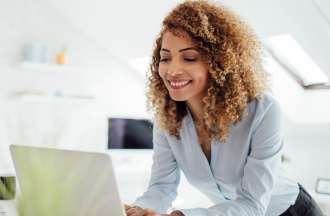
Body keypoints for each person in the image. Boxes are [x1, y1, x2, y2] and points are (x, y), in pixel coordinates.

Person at [125, 1, 324, 215]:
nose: (172, 70)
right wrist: (138, 211)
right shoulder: (167, 119)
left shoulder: (263, 111)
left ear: (218, 62)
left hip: (292, 211)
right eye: (165, 58)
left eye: (189, 58)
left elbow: (252, 205)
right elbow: (161, 187)